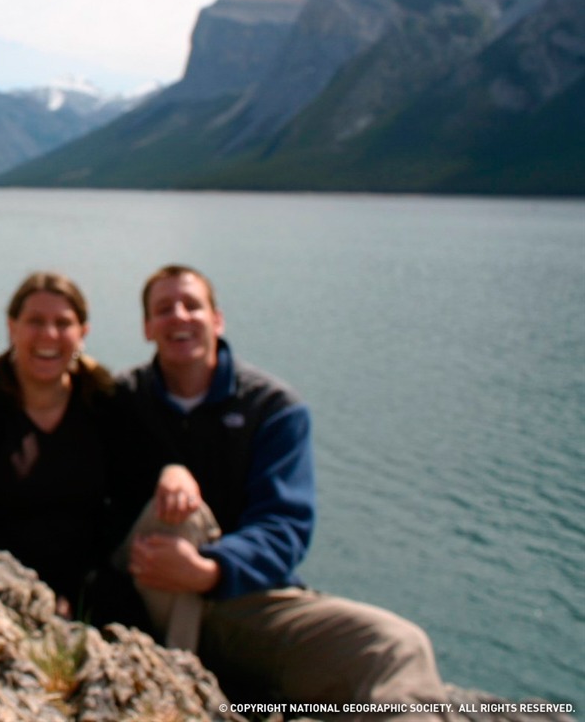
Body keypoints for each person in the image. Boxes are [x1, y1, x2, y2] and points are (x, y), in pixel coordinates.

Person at [115, 263, 450, 717]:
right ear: (147, 327)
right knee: (178, 515)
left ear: (217, 319)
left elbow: (284, 527)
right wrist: (170, 472)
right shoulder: (120, 400)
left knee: (397, 645)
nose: (179, 316)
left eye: (192, 305)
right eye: (164, 309)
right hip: (143, 595)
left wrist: (209, 570)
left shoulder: (272, 409)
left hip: (240, 603)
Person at [0, 271, 152, 625]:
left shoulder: (108, 403)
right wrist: (32, 591)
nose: (49, 334)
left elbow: (134, 494)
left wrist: (176, 473)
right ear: (12, 327)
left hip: (88, 579)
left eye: (63, 323)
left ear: (83, 333)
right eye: (35, 321)